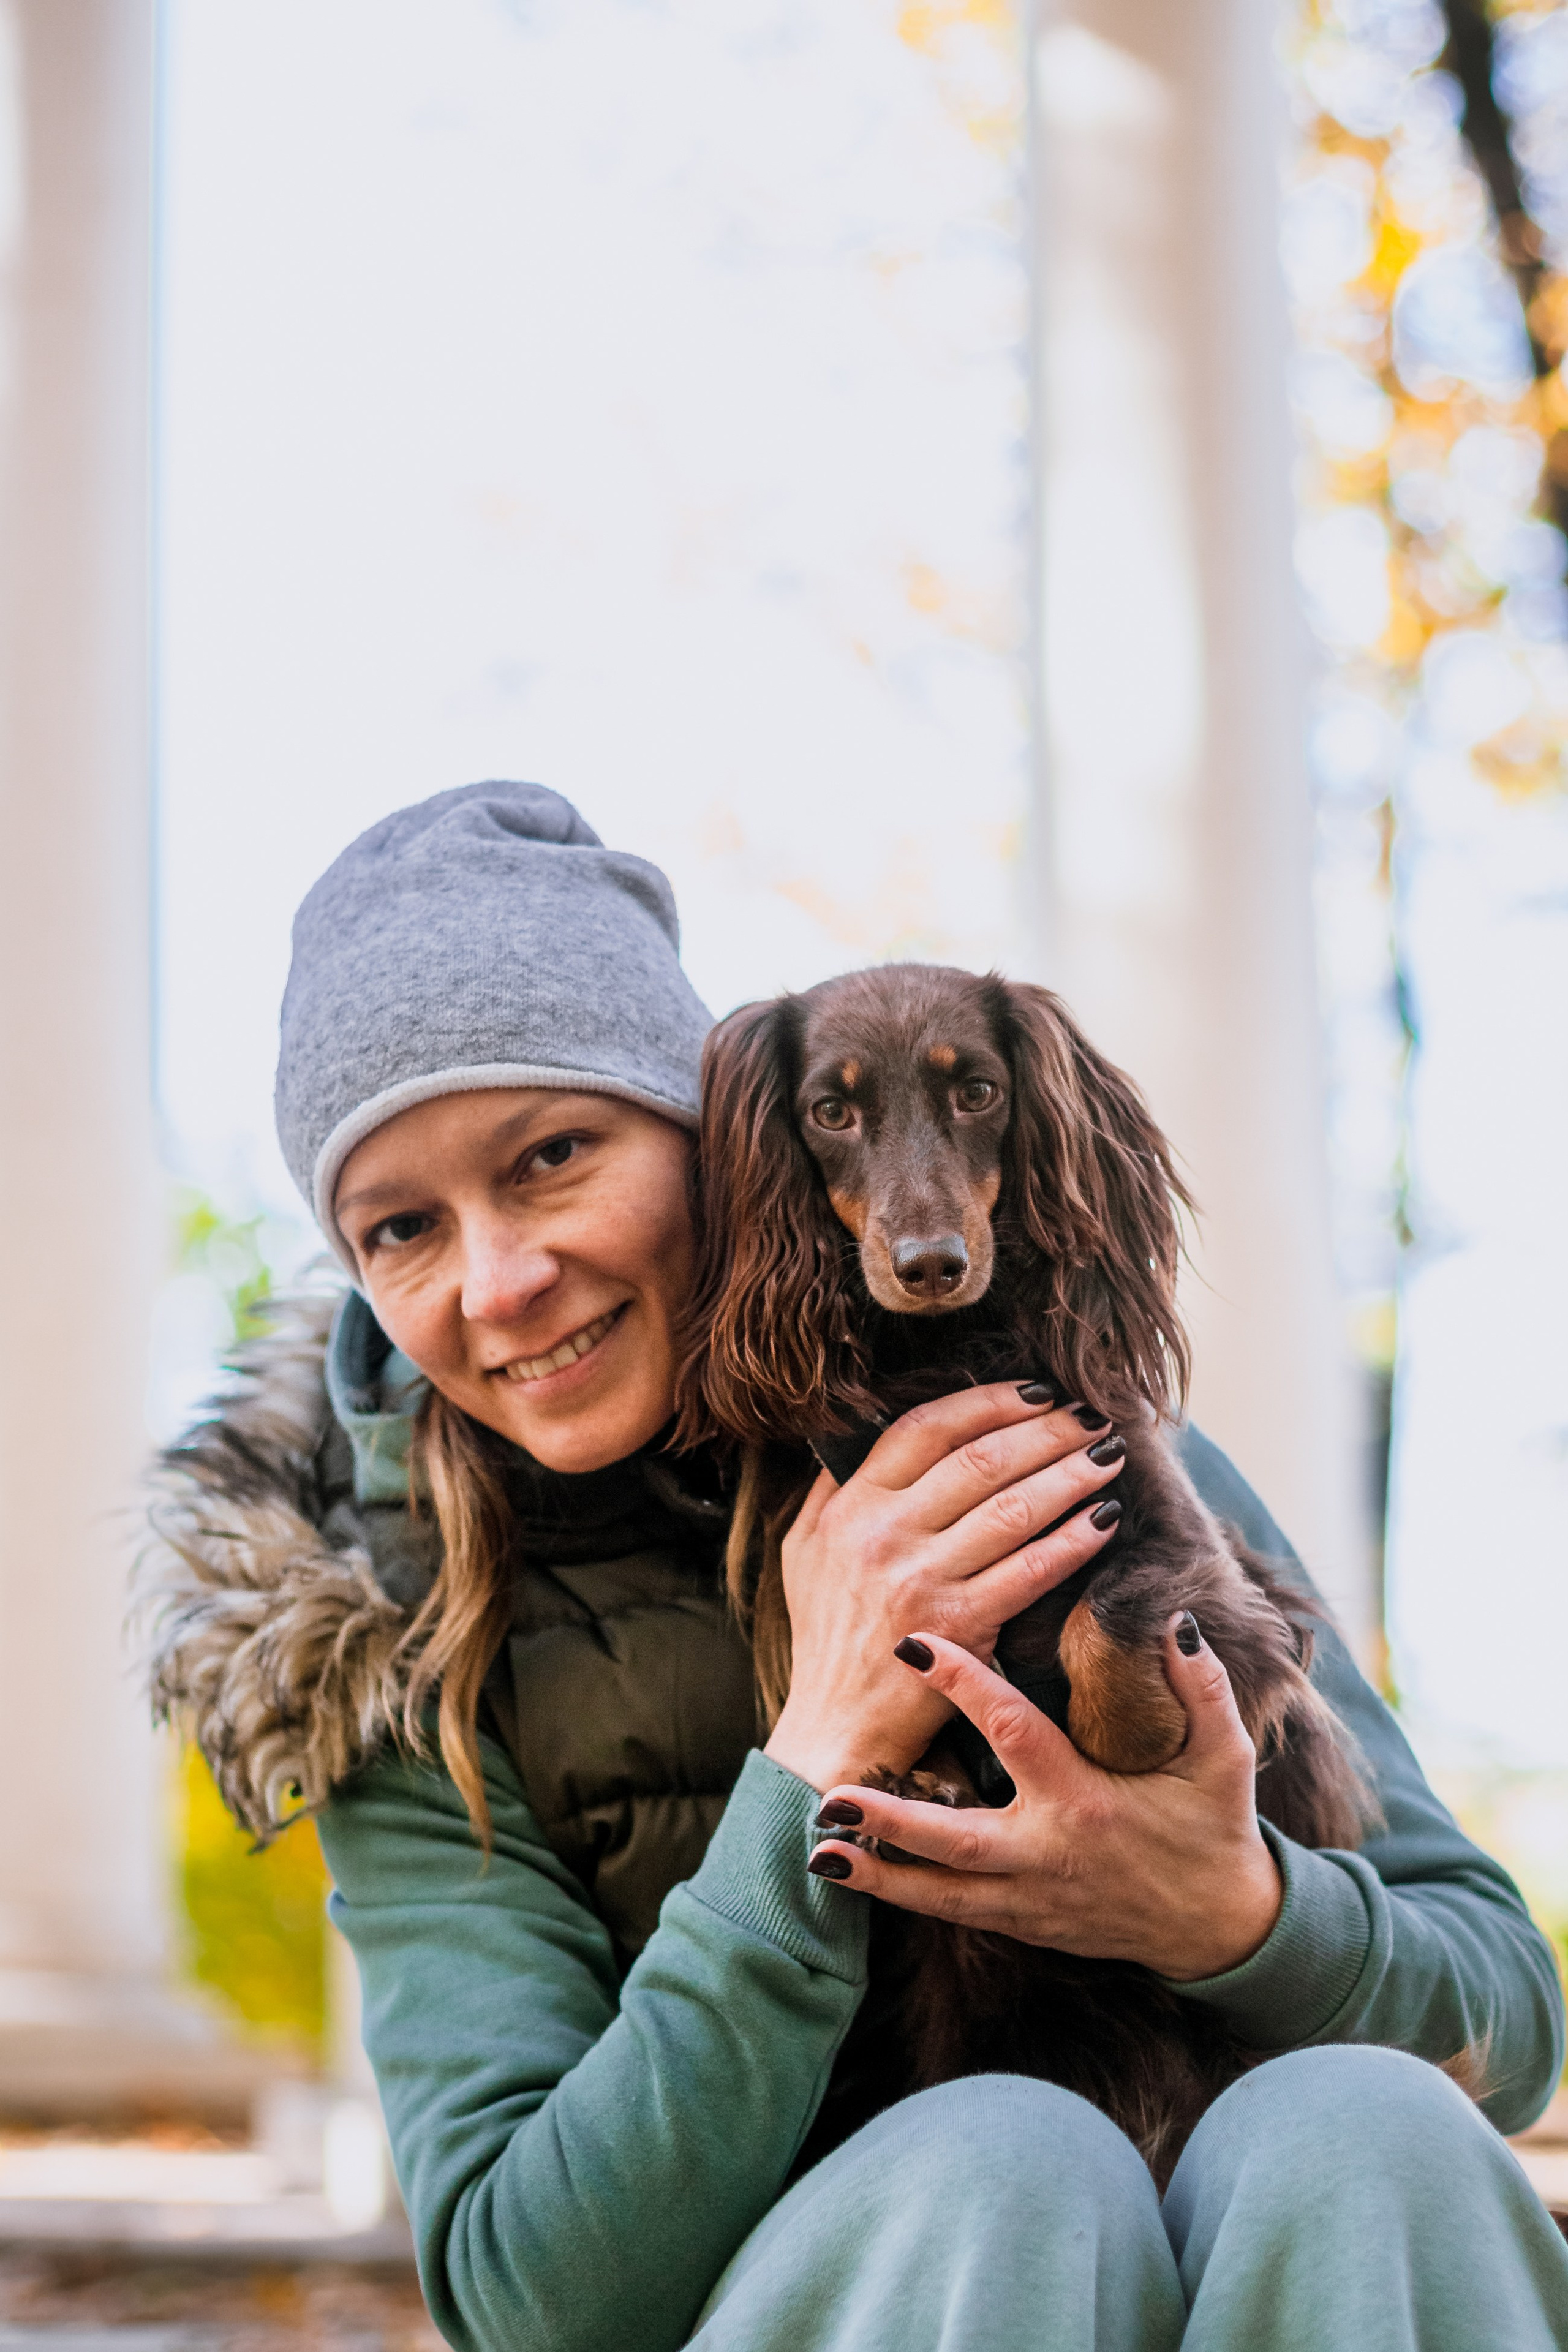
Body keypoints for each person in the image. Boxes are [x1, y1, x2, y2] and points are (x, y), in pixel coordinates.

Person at [143, 782, 1568, 2352]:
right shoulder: (385, 1642)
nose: (501, 1279)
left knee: (1366, 2133)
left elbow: (1505, 2018)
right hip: (861, 2283)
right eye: (399, 1228)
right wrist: (814, 1755)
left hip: (1220, 2238)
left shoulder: (1042, 1438)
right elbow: (521, 2299)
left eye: (551, 1153)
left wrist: (1227, 1914)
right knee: (1001, 2162)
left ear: (710, 1144)